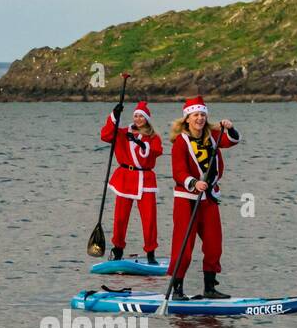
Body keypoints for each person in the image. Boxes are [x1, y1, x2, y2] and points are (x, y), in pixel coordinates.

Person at [167, 98, 239, 299]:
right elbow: (178, 172)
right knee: (184, 245)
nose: (199, 118)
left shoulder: (213, 135)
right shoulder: (180, 142)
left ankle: (209, 288)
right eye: (195, 115)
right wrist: (193, 182)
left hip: (209, 198)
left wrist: (230, 128)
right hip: (187, 199)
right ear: (187, 118)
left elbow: (231, 141)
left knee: (214, 243)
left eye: (202, 114)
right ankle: (177, 289)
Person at [100, 99, 163, 264]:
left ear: (147, 119)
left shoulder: (153, 137)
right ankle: (118, 249)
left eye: (141, 116)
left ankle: (151, 253)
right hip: (125, 178)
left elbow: (156, 152)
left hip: (145, 180)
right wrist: (114, 115)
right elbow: (105, 135)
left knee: (149, 219)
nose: (138, 119)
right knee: (120, 217)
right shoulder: (122, 132)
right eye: (135, 116)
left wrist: (140, 143)